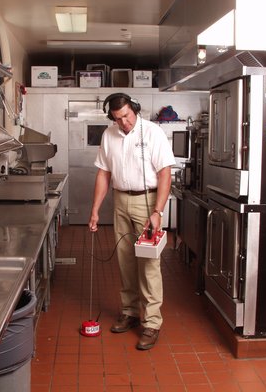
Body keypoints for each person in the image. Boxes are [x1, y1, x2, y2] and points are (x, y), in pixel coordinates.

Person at [88, 93, 175, 350]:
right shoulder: (109, 135)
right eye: (118, 119)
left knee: (148, 263)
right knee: (125, 260)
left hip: (147, 201)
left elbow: (165, 173)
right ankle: (130, 312)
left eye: (127, 115)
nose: (124, 122)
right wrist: (95, 210)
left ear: (134, 109)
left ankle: (151, 322)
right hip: (120, 201)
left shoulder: (153, 132)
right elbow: (104, 174)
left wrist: (158, 211)